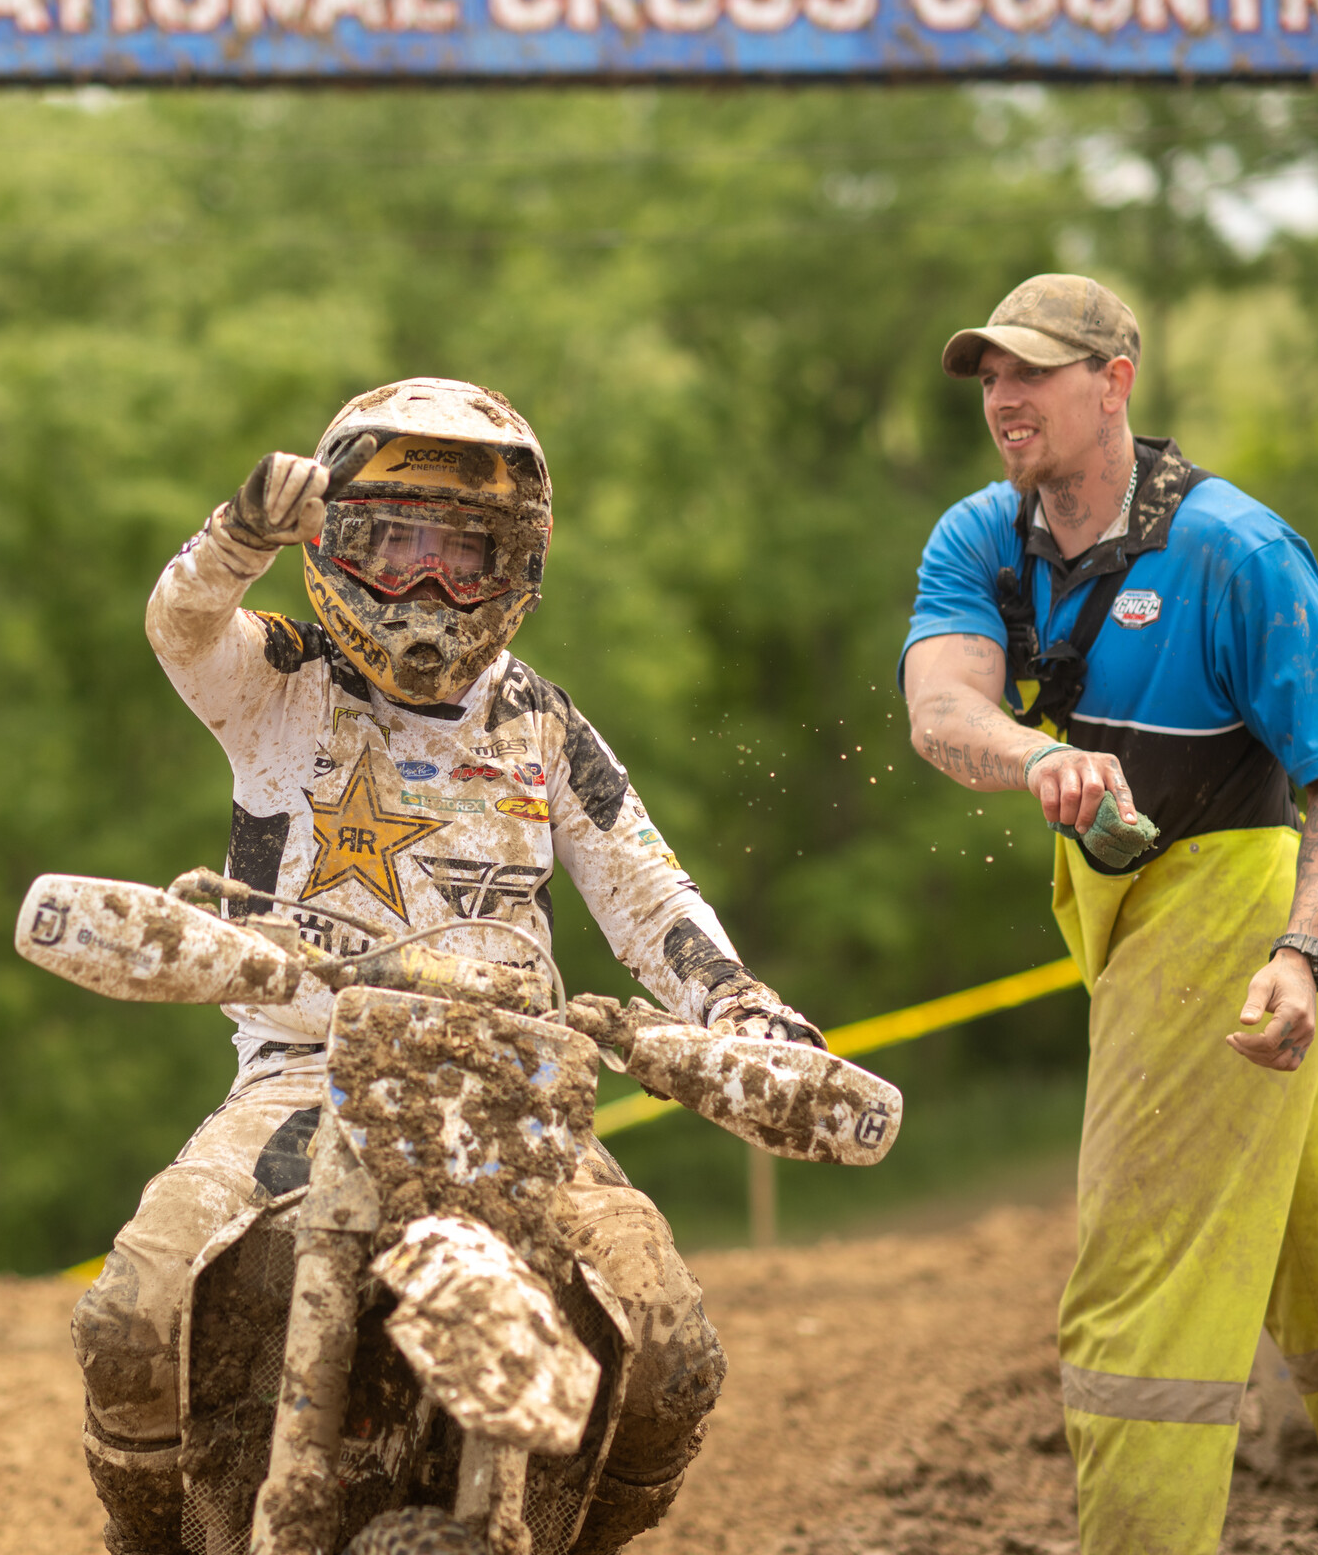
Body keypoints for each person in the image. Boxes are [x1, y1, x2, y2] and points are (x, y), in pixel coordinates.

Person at [73, 378, 824, 1555]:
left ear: (515, 568)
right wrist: (237, 535)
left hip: (519, 1089)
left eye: (462, 555)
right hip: (304, 1071)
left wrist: (738, 1003)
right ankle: (150, 1541)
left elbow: (650, 890)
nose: (427, 585)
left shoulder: (542, 724)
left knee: (672, 1354)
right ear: (337, 550)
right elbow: (181, 629)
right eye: (396, 544)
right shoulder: (281, 679)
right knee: (130, 1315)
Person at [899, 274, 1318, 1555]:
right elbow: (939, 711)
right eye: (990, 377)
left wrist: (1297, 952)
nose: (1003, 398)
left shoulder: (1237, 549)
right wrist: (1032, 757)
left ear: (1114, 380)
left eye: (1032, 372)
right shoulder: (980, 536)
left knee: (1138, 1295)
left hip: (1239, 928)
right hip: (1159, 925)